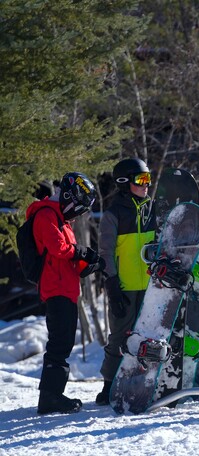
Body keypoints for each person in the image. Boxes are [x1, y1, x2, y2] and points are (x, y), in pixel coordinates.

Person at [28, 172, 103, 414]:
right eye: (79, 207)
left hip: (67, 286)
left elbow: (68, 255)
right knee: (59, 342)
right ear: (70, 197)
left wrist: (88, 263)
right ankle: (50, 397)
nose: (79, 213)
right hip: (56, 287)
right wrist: (82, 252)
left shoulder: (61, 219)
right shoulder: (46, 214)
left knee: (65, 341)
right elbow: (59, 248)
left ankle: (52, 394)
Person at [95, 158, 156, 405]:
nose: (146, 186)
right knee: (119, 335)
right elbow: (105, 252)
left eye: (148, 180)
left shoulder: (152, 209)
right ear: (124, 182)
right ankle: (109, 383)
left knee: (150, 335)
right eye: (141, 180)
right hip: (125, 287)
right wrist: (111, 285)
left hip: (152, 286)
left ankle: (145, 381)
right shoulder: (113, 214)